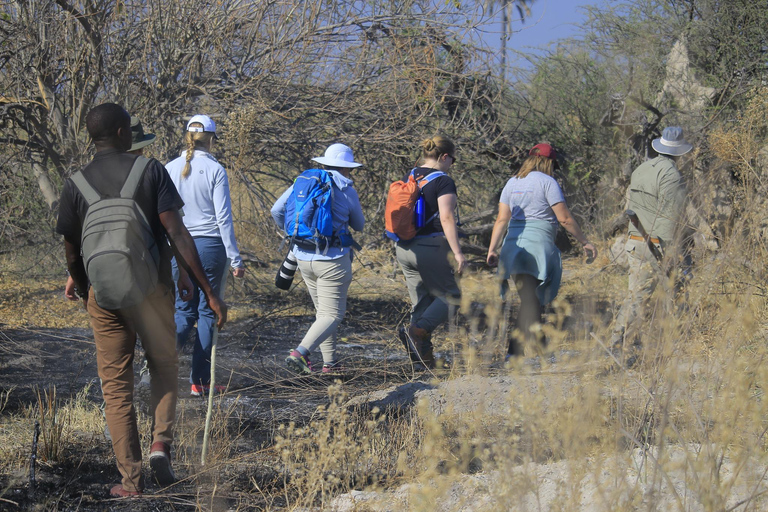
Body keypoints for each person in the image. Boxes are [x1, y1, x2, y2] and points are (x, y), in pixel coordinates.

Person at [56, 103, 227, 497]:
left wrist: (86, 291)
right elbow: (177, 234)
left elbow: (71, 250)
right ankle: (160, 444)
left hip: (105, 297)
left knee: (116, 388)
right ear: (121, 133)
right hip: (151, 292)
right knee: (164, 366)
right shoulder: (150, 171)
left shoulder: (75, 182)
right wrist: (207, 291)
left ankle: (131, 482)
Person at [487, 143, 596, 359]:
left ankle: (541, 351)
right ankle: (515, 353)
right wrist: (584, 241)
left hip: (513, 246)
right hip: (538, 246)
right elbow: (564, 218)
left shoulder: (512, 182)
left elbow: (502, 219)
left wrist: (492, 249)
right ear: (548, 163)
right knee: (531, 300)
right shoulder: (548, 182)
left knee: (530, 298)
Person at [165, 114, 245, 396]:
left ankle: (158, 371)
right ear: (211, 139)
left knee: (182, 310)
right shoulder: (215, 170)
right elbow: (223, 218)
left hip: (177, 246)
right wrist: (235, 258)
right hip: (210, 246)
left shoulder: (169, 168)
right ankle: (200, 381)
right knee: (208, 310)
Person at [271, 143, 365, 374]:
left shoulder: (303, 181)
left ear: (324, 163)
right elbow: (359, 225)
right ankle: (300, 353)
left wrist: (293, 233)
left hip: (303, 256)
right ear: (346, 168)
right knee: (332, 315)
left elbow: (276, 210)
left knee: (322, 313)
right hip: (333, 260)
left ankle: (330, 363)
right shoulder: (345, 188)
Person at [609, 126, 690, 364]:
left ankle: (620, 341)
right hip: (657, 244)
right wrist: (673, 251)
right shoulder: (672, 175)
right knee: (669, 293)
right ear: (679, 152)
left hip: (635, 241)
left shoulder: (641, 168)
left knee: (636, 295)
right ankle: (624, 348)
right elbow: (674, 217)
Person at [64, 117, 159, 301]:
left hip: (103, 283)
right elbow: (172, 232)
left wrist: (79, 281)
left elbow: (89, 238)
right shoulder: (150, 173)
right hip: (149, 284)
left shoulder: (86, 180)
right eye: (141, 148)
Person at [395, 135, 466, 370]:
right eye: (452, 160)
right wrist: (457, 252)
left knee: (422, 303)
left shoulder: (410, 175)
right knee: (452, 296)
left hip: (404, 248)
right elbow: (446, 217)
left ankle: (422, 364)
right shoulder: (444, 181)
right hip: (429, 246)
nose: (451, 165)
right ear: (444, 157)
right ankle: (416, 331)